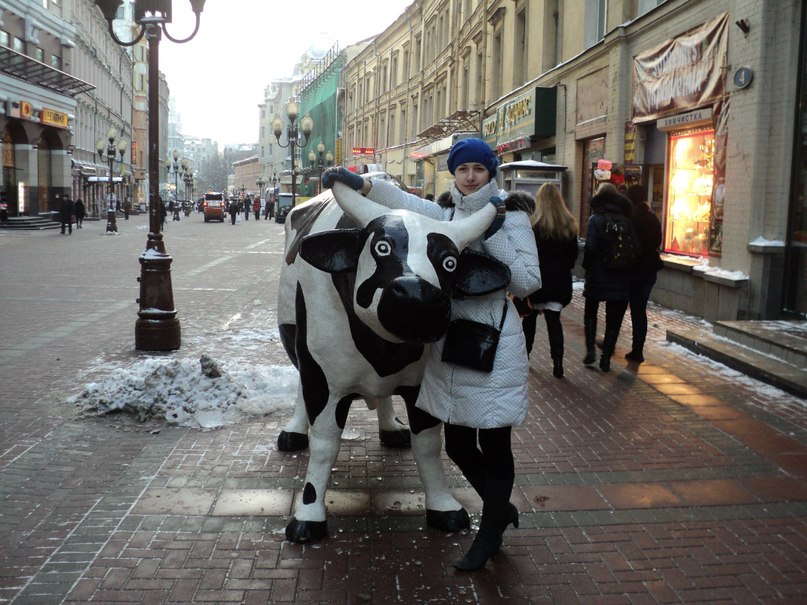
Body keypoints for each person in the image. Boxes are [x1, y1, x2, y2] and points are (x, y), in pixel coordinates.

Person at [322, 137, 541, 571]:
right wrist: (362, 185)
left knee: (494, 443)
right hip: (451, 344)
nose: (471, 176)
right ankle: (499, 510)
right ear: (454, 174)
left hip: (494, 343)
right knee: (458, 442)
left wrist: (491, 231)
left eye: (479, 169)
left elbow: (528, 281)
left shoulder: (512, 216)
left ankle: (489, 534)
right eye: (463, 169)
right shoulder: (443, 215)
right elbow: (403, 201)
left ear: (491, 172)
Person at [521, 183, 579, 378]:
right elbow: (572, 258)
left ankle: (525, 358)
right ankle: (558, 364)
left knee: (529, 321)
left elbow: (528, 254)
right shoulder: (569, 224)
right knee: (554, 323)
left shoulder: (534, 225)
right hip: (559, 282)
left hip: (537, 282)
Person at [581, 183, 639, 372]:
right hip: (621, 276)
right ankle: (606, 358)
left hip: (598, 274)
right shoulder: (627, 220)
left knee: (591, 312)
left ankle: (590, 349)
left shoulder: (596, 219)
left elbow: (589, 247)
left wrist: (586, 267)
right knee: (614, 318)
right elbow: (636, 249)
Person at [624, 184, 663, 363]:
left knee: (622, 308)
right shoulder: (652, 218)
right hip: (649, 270)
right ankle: (637, 349)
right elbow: (657, 241)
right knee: (640, 310)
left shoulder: (631, 218)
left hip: (633, 270)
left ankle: (611, 344)